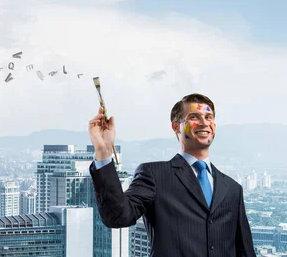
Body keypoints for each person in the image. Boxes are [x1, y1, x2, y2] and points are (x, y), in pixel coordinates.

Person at [88, 93, 255, 256]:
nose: (204, 123)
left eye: (209, 117)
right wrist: (103, 152)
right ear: (176, 126)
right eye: (194, 117)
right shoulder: (154, 175)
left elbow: (245, 251)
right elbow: (118, 216)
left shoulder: (233, 189)